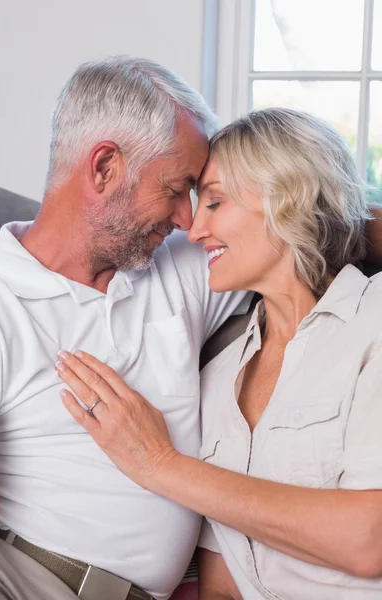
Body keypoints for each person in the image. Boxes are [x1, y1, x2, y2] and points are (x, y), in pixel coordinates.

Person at [57, 108, 382, 600]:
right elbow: (224, 579)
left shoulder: (371, 326)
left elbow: (367, 541)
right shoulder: (218, 374)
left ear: (286, 198)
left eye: (214, 203)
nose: (194, 231)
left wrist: (160, 464)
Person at [0, 55, 253, 600]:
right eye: (176, 189)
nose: (187, 218)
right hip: (19, 579)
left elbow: (307, 219)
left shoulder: (180, 265)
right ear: (104, 167)